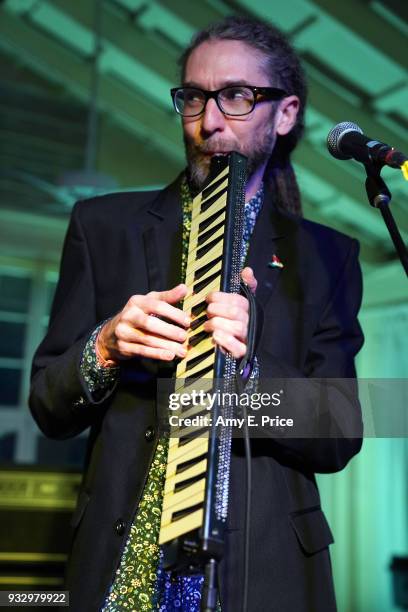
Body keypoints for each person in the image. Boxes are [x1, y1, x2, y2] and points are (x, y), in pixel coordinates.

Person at [29, 15, 364, 612]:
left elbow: (341, 429)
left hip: (264, 575)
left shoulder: (327, 257)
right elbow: (47, 405)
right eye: (193, 98)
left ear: (285, 114)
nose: (208, 122)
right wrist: (103, 346)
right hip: (119, 568)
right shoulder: (101, 226)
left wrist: (250, 375)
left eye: (236, 97)